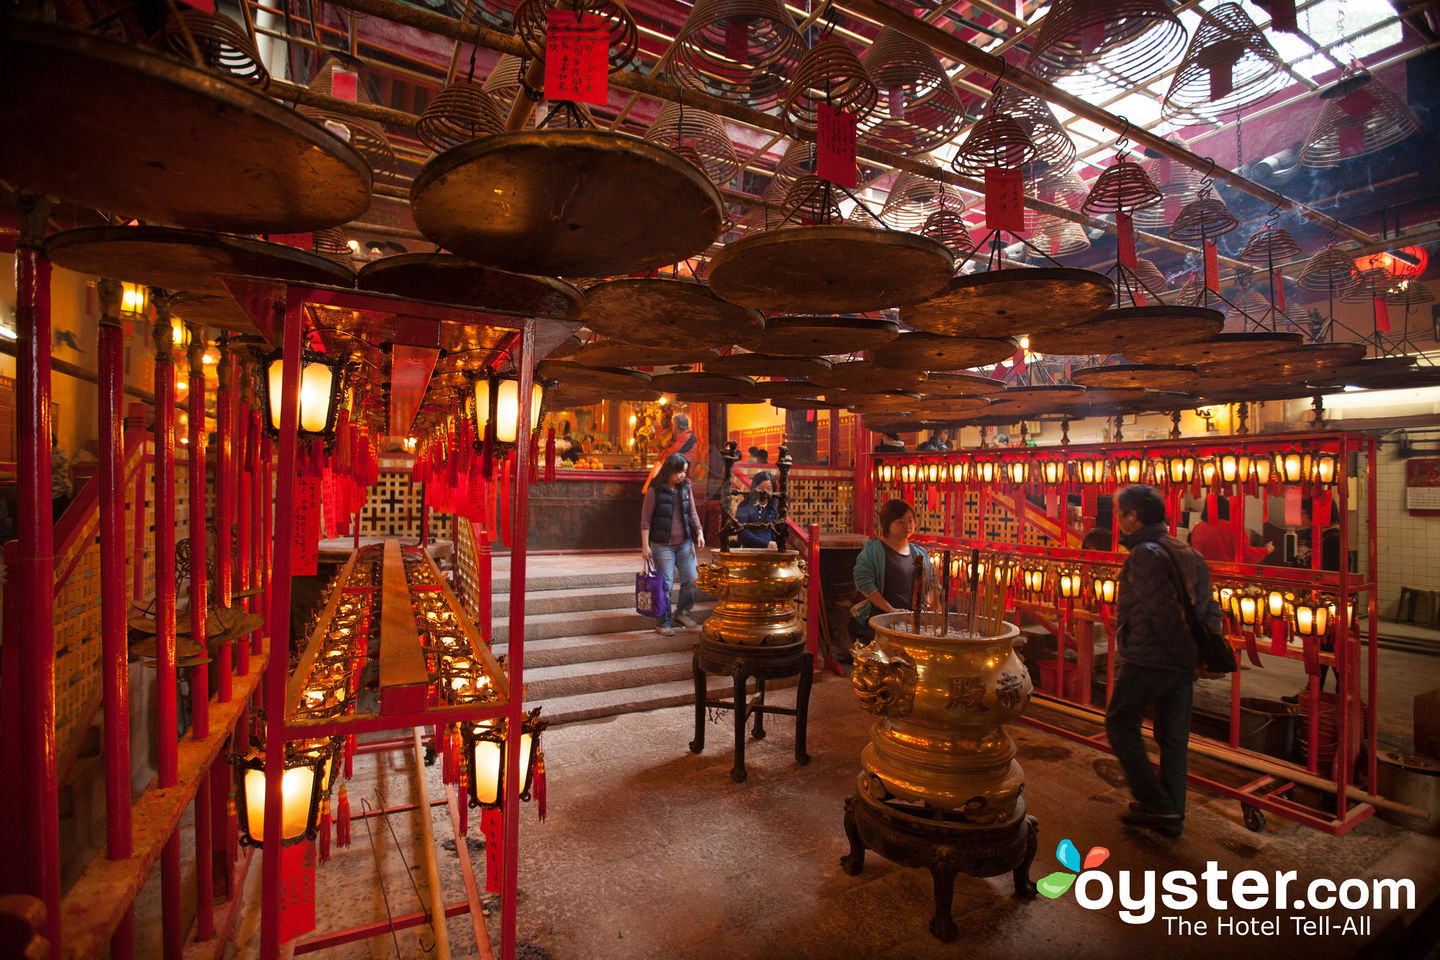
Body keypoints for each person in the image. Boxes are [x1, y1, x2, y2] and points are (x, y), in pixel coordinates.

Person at [1106, 484, 1220, 839]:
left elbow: (1164, 615)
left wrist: (1187, 658)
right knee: (1173, 738)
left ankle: (1157, 803)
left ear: (1133, 516)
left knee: (1120, 722)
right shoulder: (1187, 550)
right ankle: (1172, 812)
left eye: (1118, 512)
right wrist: (1203, 655)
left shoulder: (1145, 555)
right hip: (1181, 661)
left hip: (1152, 658)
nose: (1117, 518)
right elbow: (1210, 607)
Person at [849, 499, 932, 647]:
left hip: (913, 621)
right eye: (900, 522)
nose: (907, 526)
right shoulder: (873, 551)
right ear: (887, 524)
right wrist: (891, 610)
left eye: (910, 521)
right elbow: (864, 583)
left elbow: (931, 584)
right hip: (882, 619)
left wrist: (926, 603)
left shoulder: (920, 553)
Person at [641, 452, 705, 636]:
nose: (682, 475)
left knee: (692, 579)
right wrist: (645, 546)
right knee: (666, 584)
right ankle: (664, 621)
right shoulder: (655, 489)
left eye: (685, 471)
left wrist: (699, 532)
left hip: (685, 542)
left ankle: (683, 612)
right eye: (679, 472)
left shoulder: (686, 487)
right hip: (662, 545)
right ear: (669, 470)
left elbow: (692, 512)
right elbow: (645, 520)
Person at [1187, 495, 1272, 564]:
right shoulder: (1231, 528)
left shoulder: (1198, 527)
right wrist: (1266, 550)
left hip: (1202, 573)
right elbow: (1245, 554)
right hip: (1226, 575)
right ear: (1227, 509)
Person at [643, 412, 698, 492]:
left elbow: (669, 456)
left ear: (676, 426)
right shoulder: (682, 438)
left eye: (673, 425)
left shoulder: (686, 438)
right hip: (677, 479)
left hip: (681, 481)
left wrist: (664, 451)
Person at [734, 471, 779, 549]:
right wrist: (765, 544)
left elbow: (779, 532)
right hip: (748, 550)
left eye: (769, 489)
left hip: (770, 551)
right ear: (754, 488)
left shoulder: (775, 508)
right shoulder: (744, 505)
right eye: (761, 488)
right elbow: (741, 531)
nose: (764, 492)